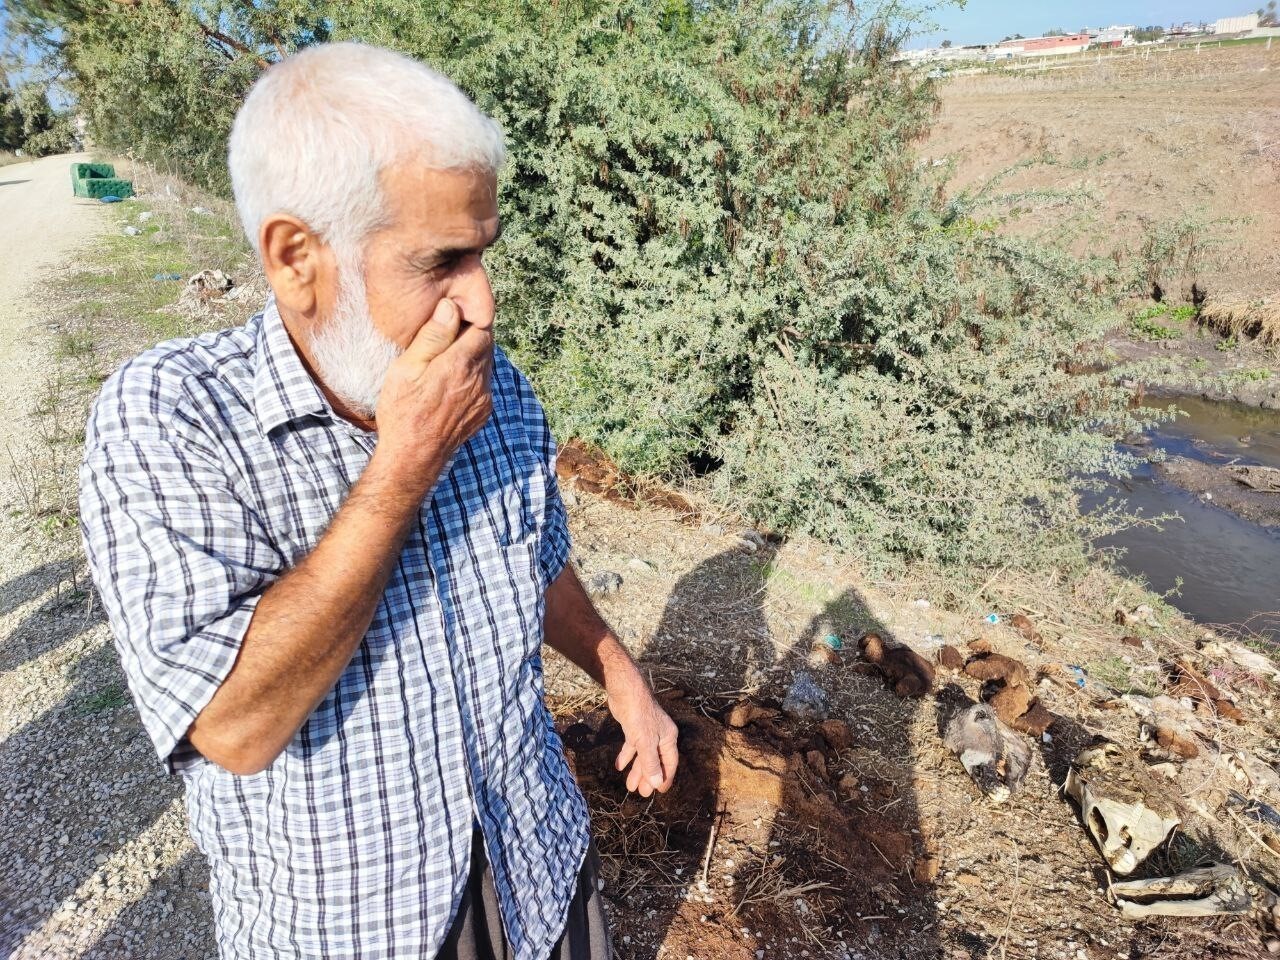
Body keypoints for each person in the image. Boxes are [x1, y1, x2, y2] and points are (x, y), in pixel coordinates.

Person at [77, 41, 678, 960]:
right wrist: (405, 464)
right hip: (357, 927)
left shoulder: (498, 386)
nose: (484, 302)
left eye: (483, 253)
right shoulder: (171, 416)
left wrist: (622, 676)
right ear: (295, 258)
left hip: (542, 871)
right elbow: (234, 726)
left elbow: (537, 554)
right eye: (440, 261)